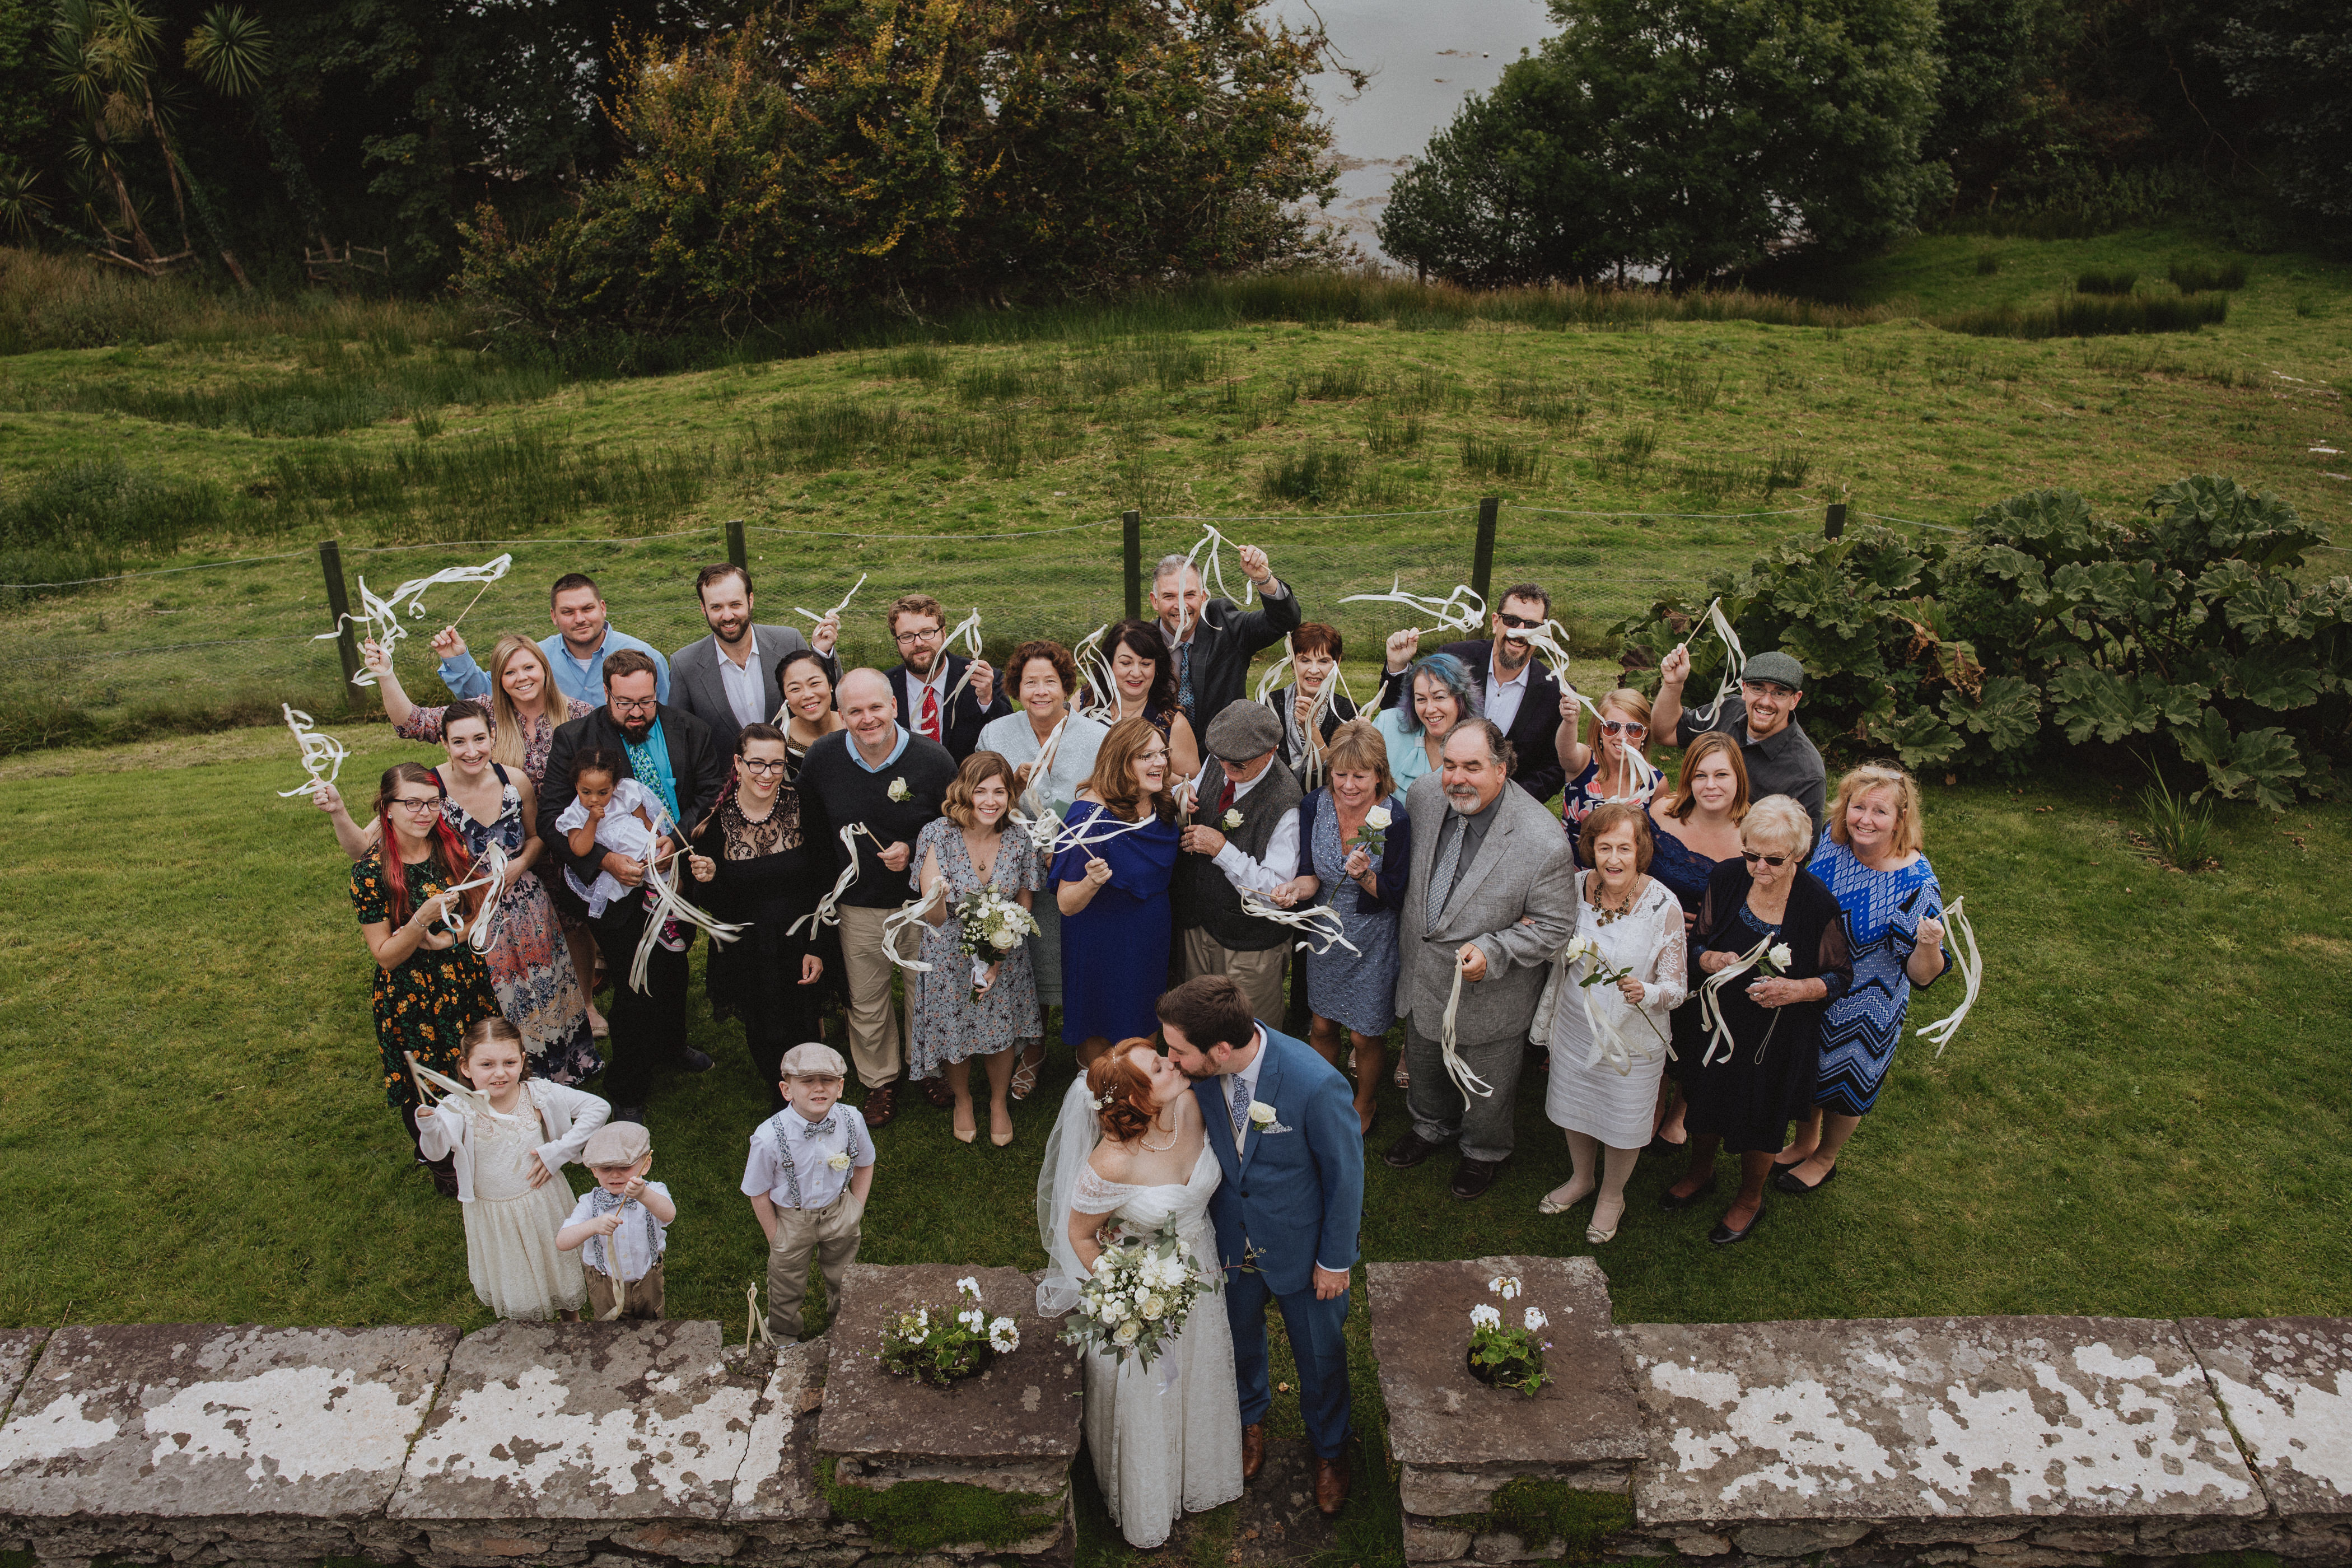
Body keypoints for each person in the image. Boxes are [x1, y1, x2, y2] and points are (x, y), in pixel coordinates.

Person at [1162, 976, 1364, 1518]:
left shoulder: (1314, 1083)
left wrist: (1334, 1258)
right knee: (1237, 1339)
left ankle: (1329, 1448)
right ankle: (1249, 1419)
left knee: (1319, 1358)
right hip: (1229, 1241)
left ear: (1221, 1049)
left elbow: (1345, 1176)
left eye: (1178, 1050)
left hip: (1303, 1250)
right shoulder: (1200, 1075)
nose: (1171, 1059)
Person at [318, 699, 600, 1085]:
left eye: (480, 739)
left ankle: (564, 1074)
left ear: (492, 737)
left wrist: (520, 865)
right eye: (459, 742)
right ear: (445, 745)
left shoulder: (513, 780)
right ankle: (510, 1084)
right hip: (471, 917)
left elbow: (537, 839)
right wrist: (337, 811)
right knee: (498, 1005)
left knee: (545, 993)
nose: (472, 751)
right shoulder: (428, 791)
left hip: (527, 906)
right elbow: (362, 847)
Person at [1035, 1039, 1243, 1548]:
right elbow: (1079, 1235)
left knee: (1202, 1369)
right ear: (1137, 1098)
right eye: (1159, 1065)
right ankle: (1147, 1498)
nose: (1174, 1061)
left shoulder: (1191, 1105)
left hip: (1201, 1276)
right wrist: (1123, 1291)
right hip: (1146, 1289)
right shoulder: (1112, 1163)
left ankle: (1201, 1467)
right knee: (1152, 1388)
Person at [363, 630, 604, 1037]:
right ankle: (506, 1020)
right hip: (502, 842)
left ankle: (583, 1003)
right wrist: (386, 674)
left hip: (565, 837)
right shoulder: (485, 713)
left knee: (574, 924)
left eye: (529, 667)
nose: (522, 678)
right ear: (498, 678)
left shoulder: (580, 712)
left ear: (545, 670)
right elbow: (412, 722)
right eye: (510, 671)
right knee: (497, 932)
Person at [1382, 720, 1577, 1200]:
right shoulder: (1427, 796)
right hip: (1424, 974)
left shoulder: (1542, 841)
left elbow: (1554, 927)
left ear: (1502, 769)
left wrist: (1494, 951)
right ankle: (1430, 1127)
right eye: (1450, 765)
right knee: (1425, 1062)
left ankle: (1483, 1151)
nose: (1457, 778)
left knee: (1487, 1086)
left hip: (1491, 992)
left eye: (1472, 767)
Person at [539, 650, 725, 1125]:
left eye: (646, 701)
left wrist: (675, 839)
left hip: (675, 871)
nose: (637, 712)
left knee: (675, 960)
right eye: (624, 703)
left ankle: (671, 1044)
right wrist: (606, 860)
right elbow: (550, 819)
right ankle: (628, 1086)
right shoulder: (575, 739)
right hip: (617, 884)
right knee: (634, 980)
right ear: (605, 694)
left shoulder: (691, 729)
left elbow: (709, 794)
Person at [1663, 795, 1853, 1245]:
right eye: (1751, 855)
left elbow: (1841, 976)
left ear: (1800, 855)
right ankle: (1701, 1171)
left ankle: (1750, 1197)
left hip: (1779, 1034)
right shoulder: (1728, 877)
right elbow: (1697, 942)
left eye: (1773, 859)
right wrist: (1709, 959)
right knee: (1704, 1096)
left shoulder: (1816, 903)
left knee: (1762, 1114)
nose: (1759, 868)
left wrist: (1795, 990)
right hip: (1718, 1021)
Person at [1772, 763, 1948, 1194]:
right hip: (1817, 986)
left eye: (1880, 811)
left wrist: (1928, 945)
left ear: (1900, 819)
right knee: (1809, 1069)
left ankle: (1825, 1158)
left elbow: (1924, 977)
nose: (1865, 820)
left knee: (1845, 1082)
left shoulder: (1915, 882)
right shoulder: (1834, 844)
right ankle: (1804, 1141)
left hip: (1866, 1004)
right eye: (1858, 807)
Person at [794, 668, 959, 1126]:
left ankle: (925, 1066)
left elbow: (953, 832)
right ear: (840, 714)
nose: (868, 719)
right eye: (855, 711)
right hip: (856, 904)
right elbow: (814, 835)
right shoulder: (822, 759)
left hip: (918, 904)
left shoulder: (933, 759)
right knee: (866, 998)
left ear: (894, 707)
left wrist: (913, 848)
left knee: (922, 989)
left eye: (875, 708)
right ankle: (879, 1080)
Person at [1534, 805, 1687, 1244]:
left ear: (1641, 851)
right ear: (1591, 850)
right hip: (1575, 1025)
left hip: (1630, 1039)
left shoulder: (1663, 905)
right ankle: (1581, 1178)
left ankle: (1612, 1195)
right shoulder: (1576, 886)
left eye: (1625, 847)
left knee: (1623, 1121)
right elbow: (1550, 945)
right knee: (1575, 1107)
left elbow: (1676, 988)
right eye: (1604, 847)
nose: (1614, 858)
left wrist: (1648, 992)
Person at [352, 762, 504, 1196]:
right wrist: (420, 923)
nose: (424, 813)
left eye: (433, 803)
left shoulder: (449, 848)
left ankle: (481, 1140)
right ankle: (441, 1163)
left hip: (462, 977)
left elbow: (474, 911)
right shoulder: (370, 872)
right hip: (410, 992)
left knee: (476, 1062)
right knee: (426, 1081)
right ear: (387, 808)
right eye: (412, 803)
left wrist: (448, 937)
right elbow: (385, 956)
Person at [417, 1017, 610, 1321]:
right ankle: (529, 1332)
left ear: (522, 1061)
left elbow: (599, 1108)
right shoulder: (458, 1108)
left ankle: (571, 1320)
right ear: (466, 1067)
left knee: (556, 1263)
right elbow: (436, 1150)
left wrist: (557, 1153)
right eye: (487, 1065)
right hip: (495, 1213)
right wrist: (429, 1127)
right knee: (516, 1271)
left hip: (543, 1203)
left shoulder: (537, 1094)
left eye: (509, 1062)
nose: (499, 1073)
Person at [1274, 720, 1412, 1135]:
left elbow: (1398, 893)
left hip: (1373, 937)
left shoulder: (1394, 818)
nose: (1348, 786)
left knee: (1365, 1036)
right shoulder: (1315, 806)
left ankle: (1364, 1102)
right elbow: (1310, 873)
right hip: (1325, 933)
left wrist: (1366, 878)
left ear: (1379, 774)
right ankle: (1322, 1096)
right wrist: (1293, 890)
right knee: (1321, 1025)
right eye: (1340, 774)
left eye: (1360, 776)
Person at [687, 724, 829, 1108]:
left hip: (801, 936)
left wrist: (817, 945)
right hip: (749, 943)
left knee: (804, 1020)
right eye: (757, 764)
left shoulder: (803, 803)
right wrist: (711, 879)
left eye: (777, 765)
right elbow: (715, 905)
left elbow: (824, 878)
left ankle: (812, 1089)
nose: (767, 774)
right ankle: (779, 1090)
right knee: (763, 1024)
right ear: (738, 762)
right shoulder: (716, 819)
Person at [909, 752, 1044, 1147]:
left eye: (999, 791)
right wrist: (938, 896)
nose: (990, 800)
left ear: (1009, 795)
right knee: (956, 1029)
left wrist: (998, 957)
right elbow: (934, 917)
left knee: (1000, 1030)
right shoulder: (937, 834)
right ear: (964, 792)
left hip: (1005, 950)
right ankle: (964, 1100)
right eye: (981, 790)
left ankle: (998, 1102)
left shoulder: (1021, 837)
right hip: (949, 953)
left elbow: (1024, 900)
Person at [978, 638, 1110, 1038]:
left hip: (1076, 867)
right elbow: (980, 799)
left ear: (1066, 686)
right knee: (1023, 952)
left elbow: (1108, 800)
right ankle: (1031, 1042)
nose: (1040, 692)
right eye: (1030, 682)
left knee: (1076, 956)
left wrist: (1069, 848)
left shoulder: (1097, 736)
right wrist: (1013, 787)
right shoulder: (995, 733)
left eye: (1050, 682)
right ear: (1016, 688)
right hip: (1016, 870)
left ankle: (1083, 1038)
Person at [1052, 716, 1183, 1071]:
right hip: (1100, 938)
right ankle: (1099, 1097)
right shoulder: (1088, 818)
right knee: (1101, 1027)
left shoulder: (1162, 804)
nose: (1159, 763)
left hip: (1150, 933)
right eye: (1146, 756)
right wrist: (1091, 882)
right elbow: (1066, 903)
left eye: (1162, 753)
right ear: (1120, 761)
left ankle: (1141, 1095)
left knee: (1145, 1021)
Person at [1174, 700, 1305, 1029]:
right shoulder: (1223, 760)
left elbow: (1275, 893)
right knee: (1198, 1025)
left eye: (1239, 764)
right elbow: (1196, 784)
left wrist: (1222, 849)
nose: (1227, 768)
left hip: (1250, 946)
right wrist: (1182, 793)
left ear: (1272, 750)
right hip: (1199, 924)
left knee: (1249, 1032)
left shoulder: (1286, 805)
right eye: (1220, 759)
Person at [1375, 584, 1566, 802]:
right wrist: (1397, 666)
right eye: (1511, 621)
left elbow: (1554, 768)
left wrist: (1506, 800)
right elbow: (1404, 707)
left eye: (1531, 626)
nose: (1519, 632)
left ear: (1542, 632)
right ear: (1496, 622)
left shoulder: (1555, 691)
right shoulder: (1455, 656)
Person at [744, 1043, 876, 1341]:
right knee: (786, 1282)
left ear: (840, 1087)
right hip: (792, 1220)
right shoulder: (768, 1137)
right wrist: (775, 1235)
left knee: (844, 1275)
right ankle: (783, 1333)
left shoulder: (852, 1120)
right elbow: (757, 1190)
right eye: (807, 1082)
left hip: (839, 1211)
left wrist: (856, 1207)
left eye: (827, 1081)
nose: (819, 1089)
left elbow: (865, 1163)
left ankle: (843, 1326)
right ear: (786, 1089)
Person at [670, 563, 839, 758]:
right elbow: (682, 739)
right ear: (703, 608)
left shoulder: (789, 642)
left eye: (735, 605)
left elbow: (831, 701)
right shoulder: (684, 665)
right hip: (727, 784)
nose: (727, 616)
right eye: (716, 607)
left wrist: (821, 654)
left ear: (750, 600)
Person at [1653, 647, 1827, 833]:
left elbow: (1801, 849)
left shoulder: (1807, 774)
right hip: (1691, 830)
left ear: (1795, 700)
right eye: (1758, 689)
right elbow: (1665, 733)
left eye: (1779, 693)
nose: (1766, 702)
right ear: (1744, 689)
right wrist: (1673, 684)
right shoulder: (1727, 710)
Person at [435, 572, 671, 707]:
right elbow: (488, 695)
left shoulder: (646, 656)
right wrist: (457, 659)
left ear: (602, 608)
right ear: (554, 617)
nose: (580, 619)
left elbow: (668, 718)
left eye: (587, 609)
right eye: (568, 612)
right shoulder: (536, 657)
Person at [1149, 544, 1301, 734]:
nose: (1180, 605)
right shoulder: (1143, 644)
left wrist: (1263, 579)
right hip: (1161, 754)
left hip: (1225, 754)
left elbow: (1285, 621)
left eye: (1189, 595)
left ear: (1204, 597)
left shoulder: (1227, 626)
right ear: (1155, 601)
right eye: (1169, 596)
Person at [558, 1120, 674, 1322]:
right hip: (605, 1285)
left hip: (647, 1279)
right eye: (606, 1168)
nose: (615, 1174)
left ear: (645, 1165)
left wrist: (643, 1194)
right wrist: (593, 1226)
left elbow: (668, 1215)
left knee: (653, 1324)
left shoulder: (653, 1191)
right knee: (608, 1330)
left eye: (625, 1166)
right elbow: (562, 1242)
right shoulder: (589, 1203)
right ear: (594, 1171)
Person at [884, 592, 1009, 760]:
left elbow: (1009, 737)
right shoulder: (884, 687)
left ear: (944, 633)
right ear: (896, 641)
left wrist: (987, 699)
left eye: (927, 632)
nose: (919, 643)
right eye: (907, 636)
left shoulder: (982, 679)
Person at [1646, 732, 1751, 918]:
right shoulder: (1662, 814)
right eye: (1700, 775)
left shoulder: (1754, 836)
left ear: (1738, 777)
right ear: (1689, 780)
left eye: (1721, 775)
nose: (1711, 785)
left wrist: (1713, 929)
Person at [1553, 687, 1662, 862]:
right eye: (1612, 727)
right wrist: (1570, 722)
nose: (1622, 737)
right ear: (1599, 730)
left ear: (1644, 734)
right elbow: (1565, 752)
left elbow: (1655, 842)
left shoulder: (1655, 782)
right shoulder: (1583, 762)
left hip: (1624, 876)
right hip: (1571, 871)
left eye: (1633, 729)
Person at [1086, 618, 1202, 782]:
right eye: (1126, 663)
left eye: (1146, 664)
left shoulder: (1173, 724)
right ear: (1109, 664)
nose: (1136, 672)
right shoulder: (1087, 701)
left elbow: (1191, 786)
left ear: (1157, 668)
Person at [1370, 651, 1477, 795]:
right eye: (1421, 699)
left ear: (1460, 700)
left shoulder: (1479, 743)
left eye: (1439, 697)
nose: (1430, 709)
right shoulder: (1387, 725)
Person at [1266, 623, 1359, 786]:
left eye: (1323, 661)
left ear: (1337, 663)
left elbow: (1340, 777)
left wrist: (1311, 729)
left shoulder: (1348, 713)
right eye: (1305, 660)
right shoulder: (1270, 705)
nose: (1314, 670)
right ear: (1292, 664)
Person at [772, 647, 850, 763]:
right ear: (785, 696)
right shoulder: (778, 743)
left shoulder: (855, 728)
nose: (807, 695)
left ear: (830, 685)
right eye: (795, 689)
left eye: (814, 683)